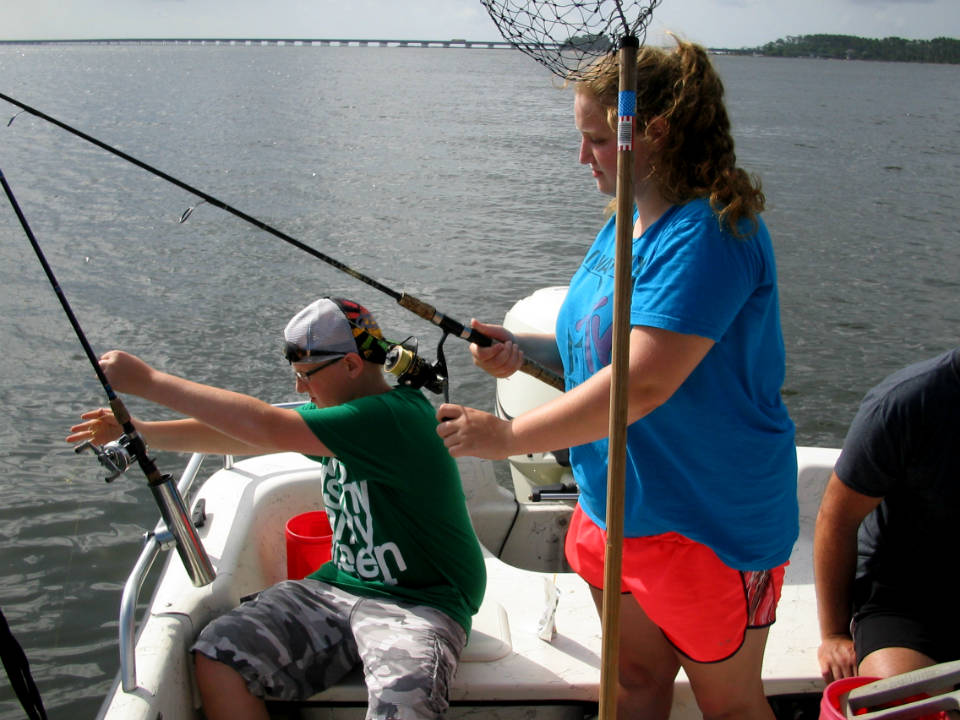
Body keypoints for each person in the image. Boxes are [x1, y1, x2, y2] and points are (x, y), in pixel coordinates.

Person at [435, 38, 797, 720]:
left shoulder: (715, 232)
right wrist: (523, 347)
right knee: (632, 681)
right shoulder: (627, 222)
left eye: (596, 140)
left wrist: (507, 438)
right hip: (617, 512)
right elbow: (601, 346)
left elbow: (645, 383)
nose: (582, 158)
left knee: (731, 706)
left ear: (651, 131)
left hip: (706, 528)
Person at [67, 297, 486, 720]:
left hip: (420, 603)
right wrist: (142, 432)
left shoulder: (393, 417)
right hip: (338, 589)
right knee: (218, 653)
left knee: (404, 705)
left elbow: (265, 425)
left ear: (352, 366)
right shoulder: (340, 413)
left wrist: (149, 381)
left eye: (306, 376)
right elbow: (246, 437)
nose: (299, 389)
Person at [815, 347, 960, 684]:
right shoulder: (909, 401)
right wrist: (834, 634)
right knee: (900, 702)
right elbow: (837, 519)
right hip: (905, 596)